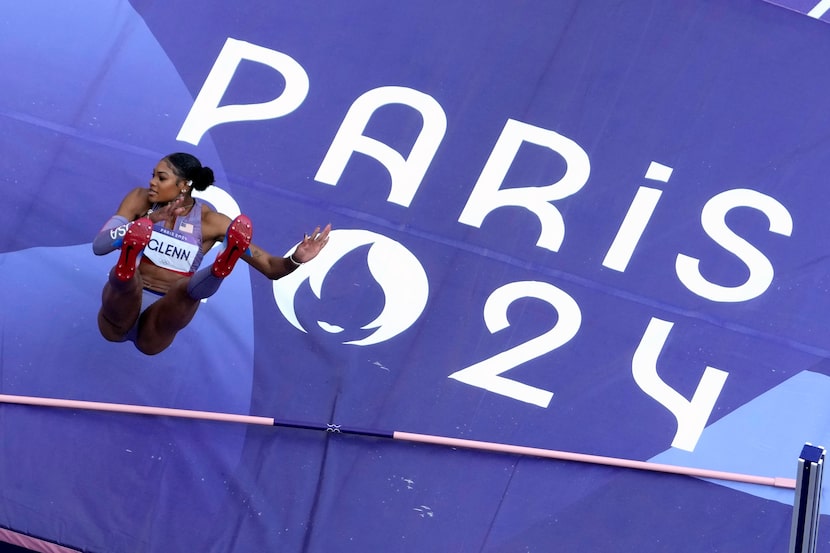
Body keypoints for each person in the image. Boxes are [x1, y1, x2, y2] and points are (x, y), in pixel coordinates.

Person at [93, 152, 331, 355]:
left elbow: (271, 267)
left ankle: (218, 271)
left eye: (161, 177)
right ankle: (127, 267)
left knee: (183, 290)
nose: (152, 182)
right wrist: (147, 220)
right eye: (153, 175)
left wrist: (296, 259)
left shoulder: (211, 222)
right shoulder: (139, 199)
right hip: (118, 313)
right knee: (128, 279)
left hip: (163, 317)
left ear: (184, 185)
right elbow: (101, 244)